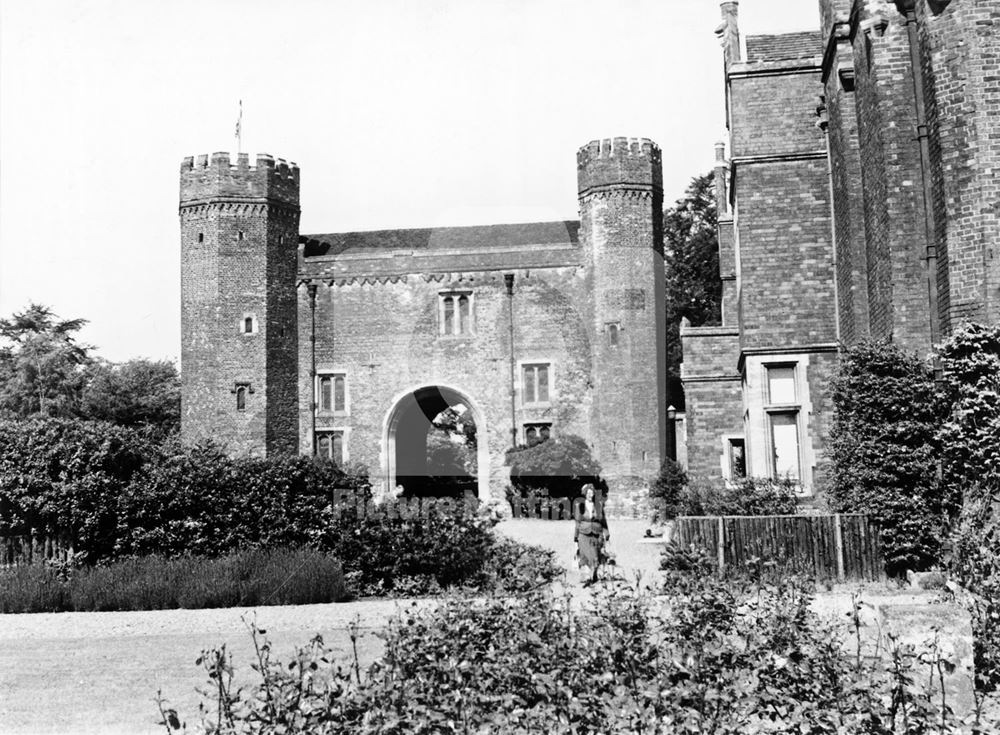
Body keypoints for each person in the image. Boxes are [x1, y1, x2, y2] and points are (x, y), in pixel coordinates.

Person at [574, 483, 610, 586]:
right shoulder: (580, 506)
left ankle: (593, 575)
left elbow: (603, 521)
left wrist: (606, 533)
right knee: (585, 556)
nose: (591, 495)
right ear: (585, 494)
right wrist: (576, 538)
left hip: (596, 534)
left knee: (595, 556)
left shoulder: (598, 505)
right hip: (583, 534)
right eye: (588, 493)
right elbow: (577, 522)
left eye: (592, 493)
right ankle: (587, 578)